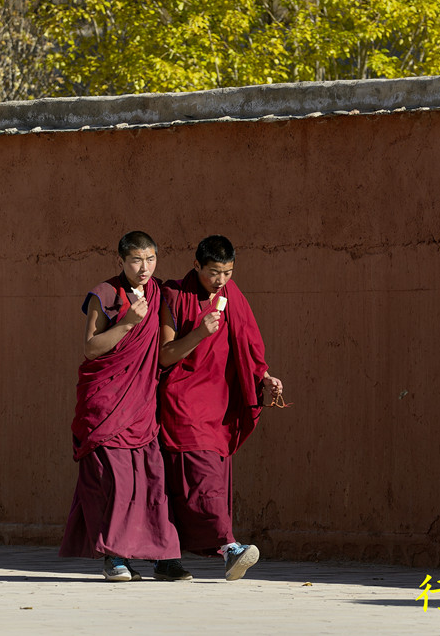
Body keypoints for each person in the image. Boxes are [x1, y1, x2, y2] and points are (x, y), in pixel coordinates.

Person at [59, 231, 187, 582]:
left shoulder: (161, 293)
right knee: (115, 481)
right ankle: (114, 557)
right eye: (135, 260)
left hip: (142, 401)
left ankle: (163, 556)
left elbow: (166, 347)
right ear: (121, 261)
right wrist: (129, 321)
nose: (143, 268)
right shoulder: (105, 294)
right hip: (106, 400)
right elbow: (91, 347)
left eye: (150, 259)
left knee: (152, 480)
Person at [158, 235, 284, 581]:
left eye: (227, 272)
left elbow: (247, 345)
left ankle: (165, 558)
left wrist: (265, 377)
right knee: (201, 476)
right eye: (214, 272)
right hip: (182, 400)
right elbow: (165, 355)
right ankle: (230, 547)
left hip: (220, 405)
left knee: (191, 480)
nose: (221, 280)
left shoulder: (233, 296)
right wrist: (199, 333)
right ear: (196, 265)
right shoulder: (173, 296)